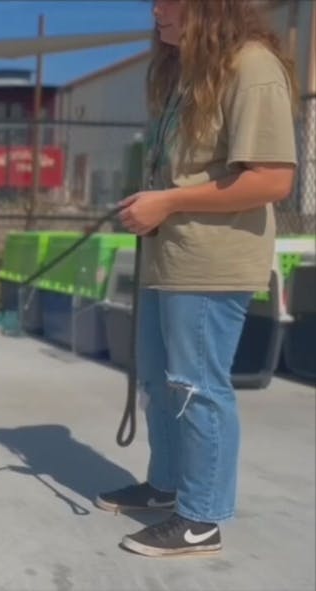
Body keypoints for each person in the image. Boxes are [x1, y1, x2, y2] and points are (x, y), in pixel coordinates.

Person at [98, 0, 299, 558]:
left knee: (197, 388)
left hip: (212, 260)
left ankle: (202, 518)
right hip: (171, 256)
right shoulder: (187, 74)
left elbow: (272, 179)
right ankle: (166, 487)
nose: (155, 9)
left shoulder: (251, 67)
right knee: (161, 383)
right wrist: (159, 204)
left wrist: (170, 200)